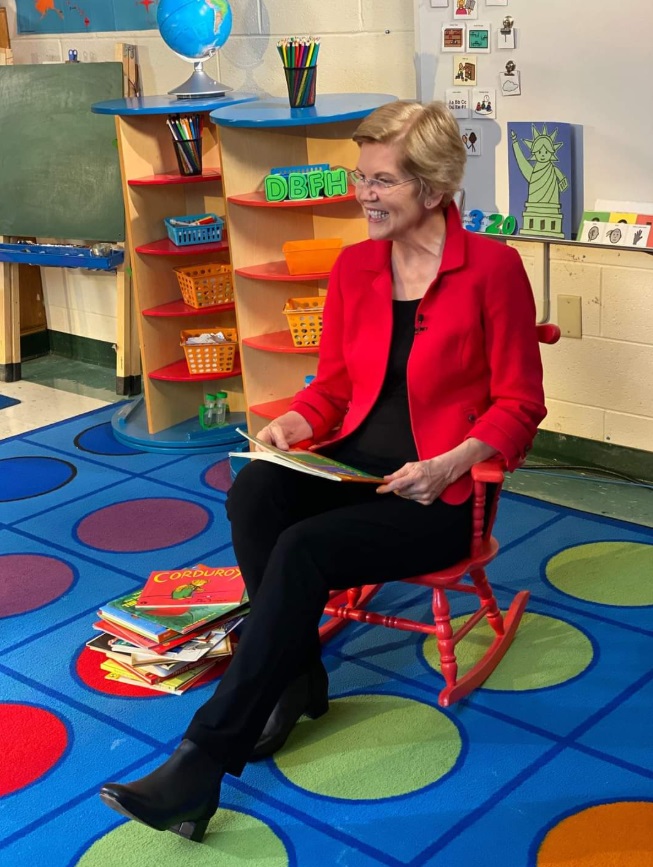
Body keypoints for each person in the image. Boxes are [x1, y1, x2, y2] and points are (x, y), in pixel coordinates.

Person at [99, 100, 546, 843]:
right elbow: (334, 386)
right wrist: (296, 422)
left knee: (303, 550)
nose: (363, 195)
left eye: (382, 181)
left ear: (434, 188)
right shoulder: (355, 267)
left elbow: (520, 402)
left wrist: (453, 460)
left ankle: (202, 759)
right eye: (359, 177)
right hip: (350, 464)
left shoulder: (492, 269)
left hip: (439, 492)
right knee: (254, 492)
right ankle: (300, 672)